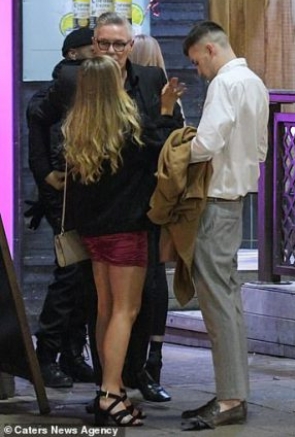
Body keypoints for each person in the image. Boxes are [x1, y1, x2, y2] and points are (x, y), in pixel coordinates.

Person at [27, 12, 184, 402]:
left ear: (131, 47)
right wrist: (45, 171)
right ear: (91, 46)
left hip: (116, 213)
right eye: (104, 44)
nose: (112, 51)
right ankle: (110, 389)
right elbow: (148, 146)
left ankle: (117, 379)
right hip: (117, 215)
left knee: (113, 305)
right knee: (118, 308)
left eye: (119, 44)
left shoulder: (141, 80)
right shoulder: (82, 82)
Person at [62, 55, 181, 426]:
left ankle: (106, 389)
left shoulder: (76, 128)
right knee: (125, 312)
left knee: (105, 309)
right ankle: (111, 393)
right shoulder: (129, 128)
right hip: (127, 229)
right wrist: (165, 109)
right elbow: (161, 150)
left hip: (93, 232)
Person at [179, 21, 268, 429]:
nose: (199, 71)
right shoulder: (255, 83)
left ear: (210, 50)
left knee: (217, 302)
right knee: (226, 298)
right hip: (237, 199)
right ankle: (232, 393)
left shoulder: (225, 85)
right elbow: (261, 149)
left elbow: (207, 143)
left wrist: (179, 149)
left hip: (215, 201)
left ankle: (230, 399)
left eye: (198, 62)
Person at [26, 27, 97, 388]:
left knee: (84, 277)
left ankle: (71, 352)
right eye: (91, 47)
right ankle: (47, 355)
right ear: (72, 54)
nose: (97, 53)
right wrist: (47, 176)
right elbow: (39, 154)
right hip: (64, 202)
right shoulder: (48, 99)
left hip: (86, 199)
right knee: (70, 274)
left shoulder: (93, 92)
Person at [121, 33, 174, 402]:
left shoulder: (150, 95)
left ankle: (129, 369)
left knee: (130, 293)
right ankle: (145, 366)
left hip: (141, 205)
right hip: (152, 204)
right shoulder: (158, 100)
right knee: (148, 286)